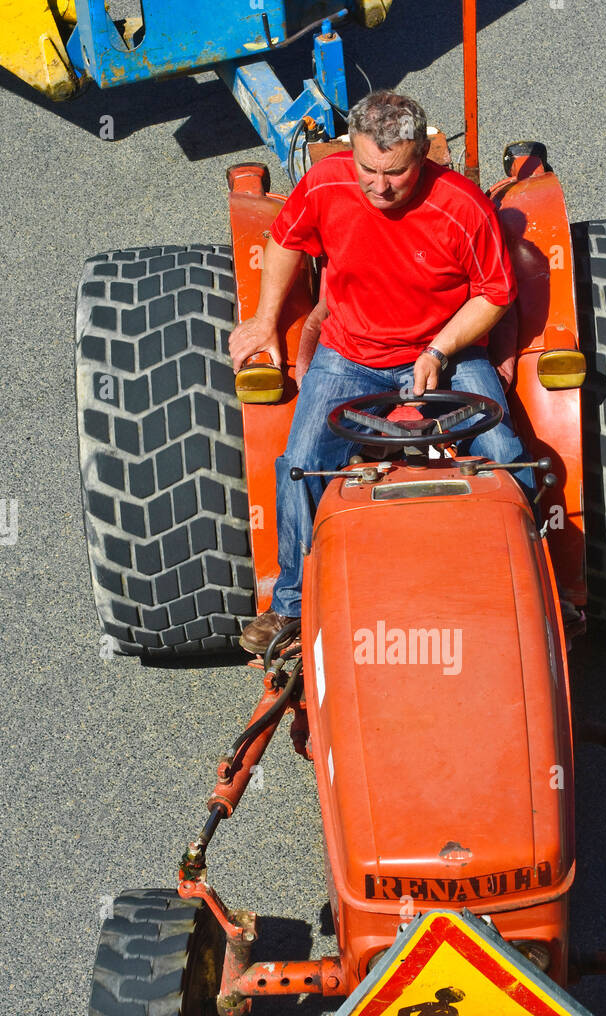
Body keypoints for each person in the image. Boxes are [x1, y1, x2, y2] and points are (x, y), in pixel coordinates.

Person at [228, 89, 534, 653]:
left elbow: (495, 294)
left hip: (447, 352)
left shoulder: (463, 206)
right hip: (351, 352)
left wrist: (439, 352)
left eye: (395, 173)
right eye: (368, 167)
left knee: (506, 452)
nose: (379, 185)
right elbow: (285, 241)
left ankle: (534, 585)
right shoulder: (326, 184)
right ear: (354, 153)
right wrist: (265, 320)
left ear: (422, 158)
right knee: (300, 464)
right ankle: (292, 607)